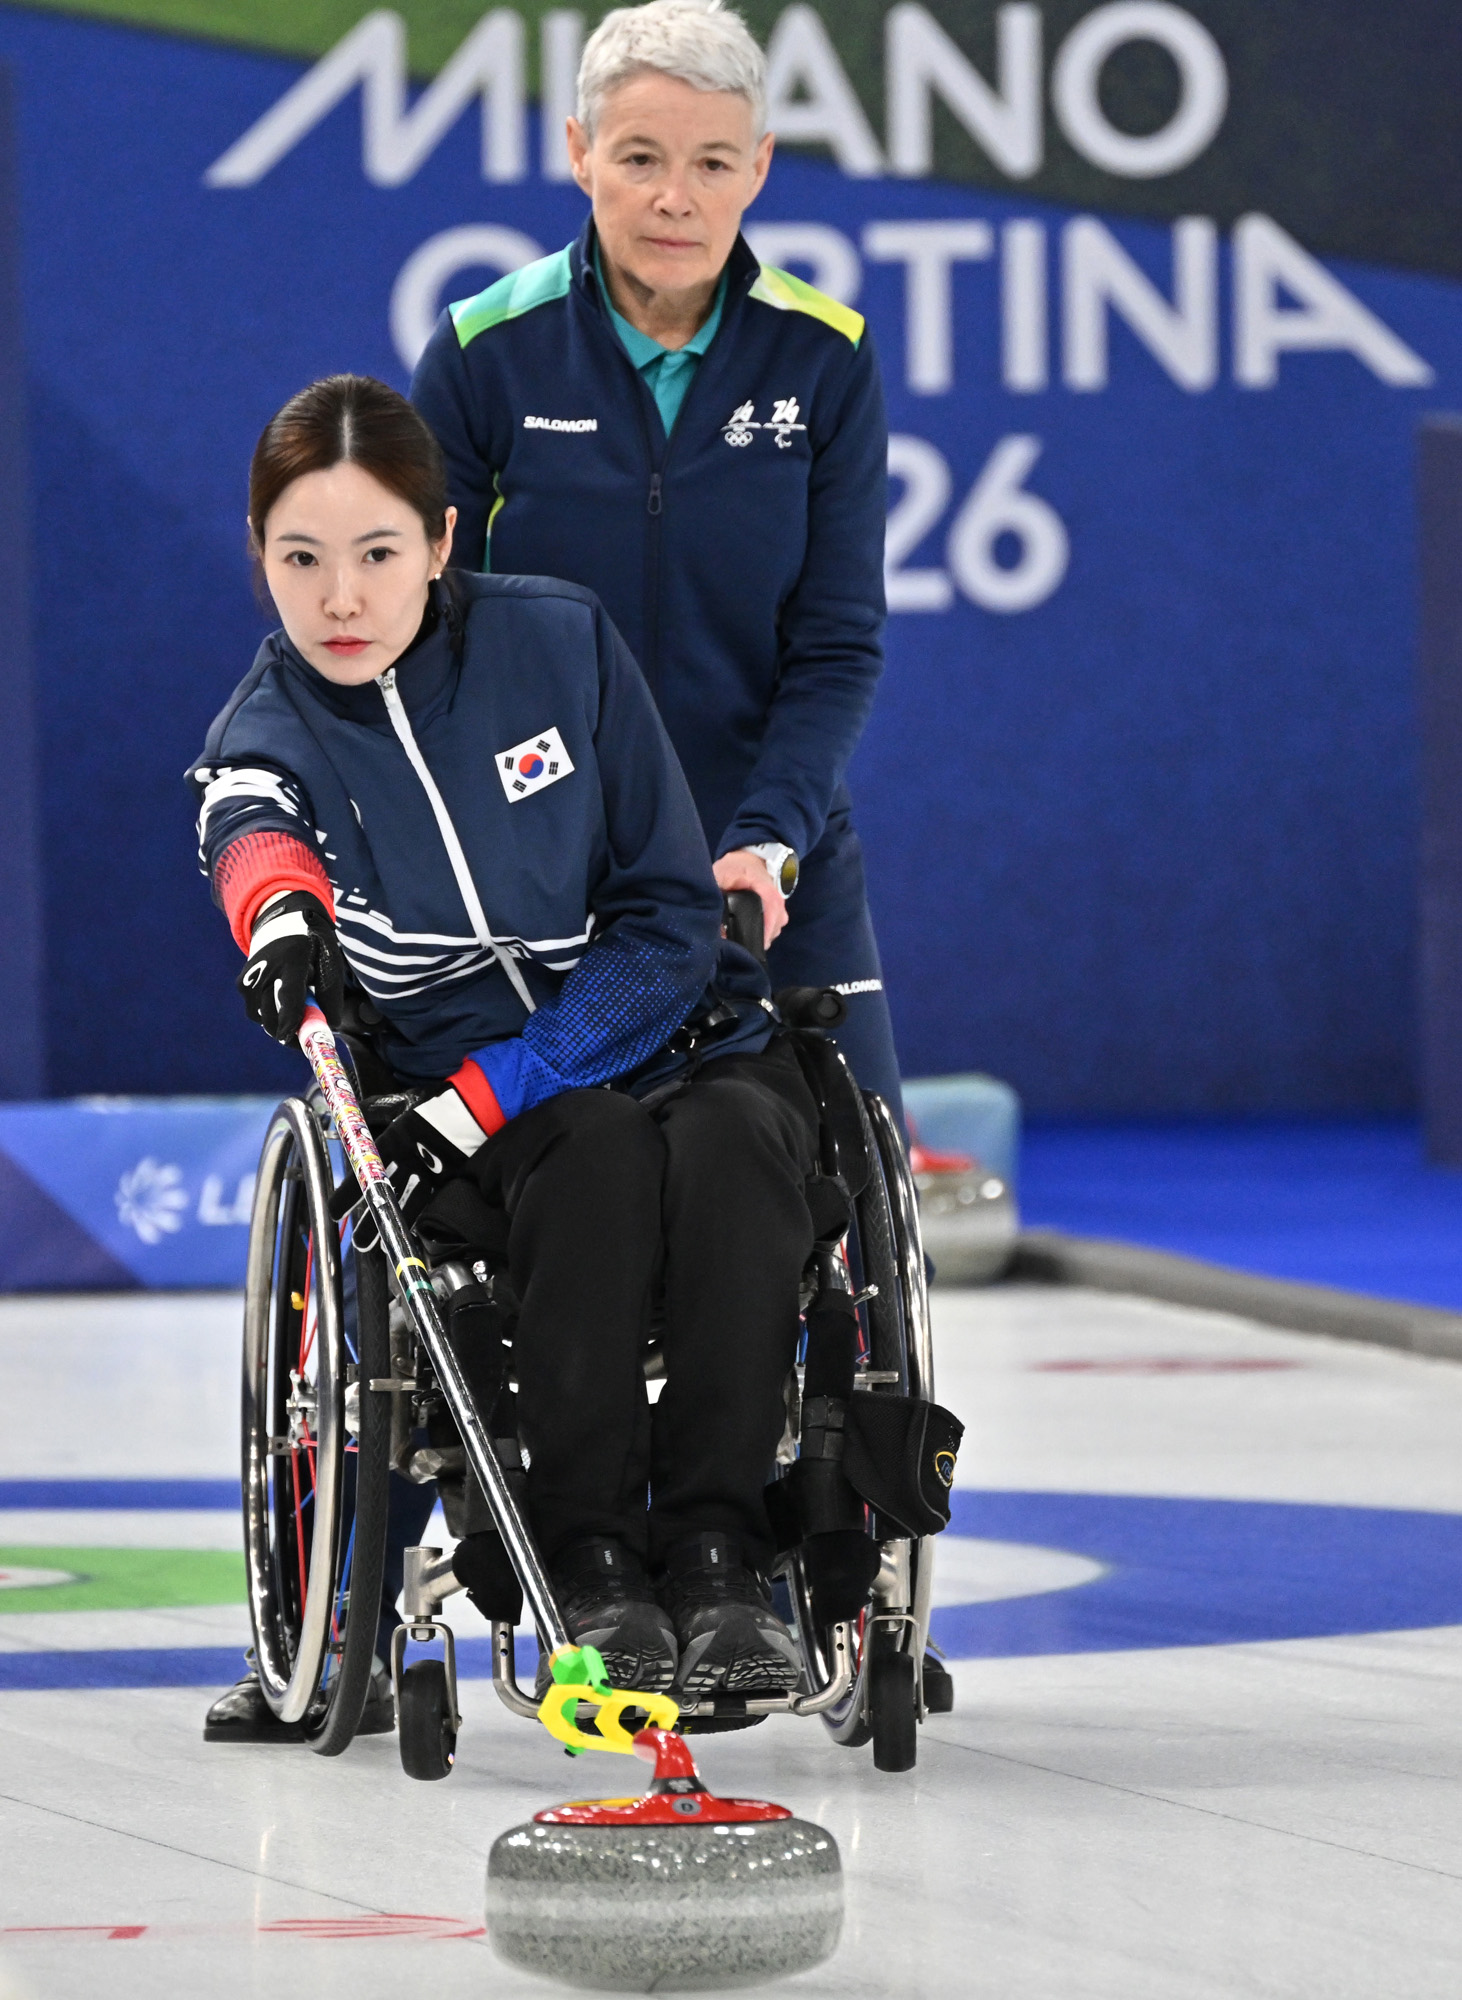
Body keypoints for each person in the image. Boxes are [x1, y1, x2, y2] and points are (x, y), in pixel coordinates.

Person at [189, 374, 825, 1737]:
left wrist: (495, 1092)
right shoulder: (270, 723)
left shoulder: (563, 645)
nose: (340, 599)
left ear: (440, 540)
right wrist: (281, 928)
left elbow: (666, 923)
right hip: (478, 1125)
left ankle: (721, 1558)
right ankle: (590, 1563)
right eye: (299, 561)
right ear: (260, 560)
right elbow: (251, 829)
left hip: (664, 1041)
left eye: (375, 554)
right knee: (592, 1159)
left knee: (739, 1147)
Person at [410, 0, 902, 1125]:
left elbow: (835, 644)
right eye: (639, 157)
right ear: (580, 155)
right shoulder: (484, 348)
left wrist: (771, 838)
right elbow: (419, 623)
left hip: (771, 861)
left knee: (841, 1190)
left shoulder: (828, 356)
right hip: (536, 864)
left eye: (712, 161)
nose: (675, 196)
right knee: (564, 1196)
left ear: (759, 168)